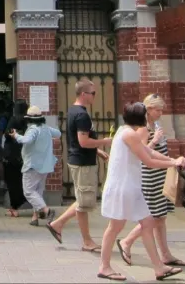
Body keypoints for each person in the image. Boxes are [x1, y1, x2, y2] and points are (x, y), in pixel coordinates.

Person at [97, 102, 185, 281]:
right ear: (141, 118)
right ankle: (104, 267)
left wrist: (172, 159)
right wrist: (173, 163)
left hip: (131, 187)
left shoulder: (125, 131)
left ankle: (159, 268)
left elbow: (149, 152)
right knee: (115, 227)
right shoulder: (129, 134)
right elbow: (149, 161)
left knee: (147, 223)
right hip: (123, 188)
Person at [117, 94, 185, 268]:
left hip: (159, 174)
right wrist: (154, 140)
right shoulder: (142, 129)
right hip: (150, 177)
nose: (160, 113)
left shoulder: (154, 125)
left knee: (160, 217)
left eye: (162, 109)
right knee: (153, 216)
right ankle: (126, 242)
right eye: (157, 110)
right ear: (147, 109)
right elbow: (141, 153)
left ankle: (165, 254)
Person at [47, 77, 112, 252]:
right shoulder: (82, 114)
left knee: (82, 201)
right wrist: (104, 141)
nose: (94, 96)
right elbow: (83, 142)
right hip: (82, 163)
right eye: (93, 93)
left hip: (79, 160)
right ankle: (66, 229)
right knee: (84, 202)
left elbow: (77, 141)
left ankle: (81, 237)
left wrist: (96, 150)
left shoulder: (73, 110)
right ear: (84, 94)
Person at [9, 105, 61, 226]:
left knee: (28, 191)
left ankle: (46, 211)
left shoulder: (33, 129)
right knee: (38, 191)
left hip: (33, 165)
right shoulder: (45, 128)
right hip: (45, 165)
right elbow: (58, 133)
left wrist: (16, 135)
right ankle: (36, 216)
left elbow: (26, 140)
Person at [3, 99, 28, 217]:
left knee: (12, 181)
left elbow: (8, 134)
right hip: (25, 154)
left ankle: (14, 207)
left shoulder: (13, 119)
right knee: (24, 180)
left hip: (12, 155)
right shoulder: (29, 121)